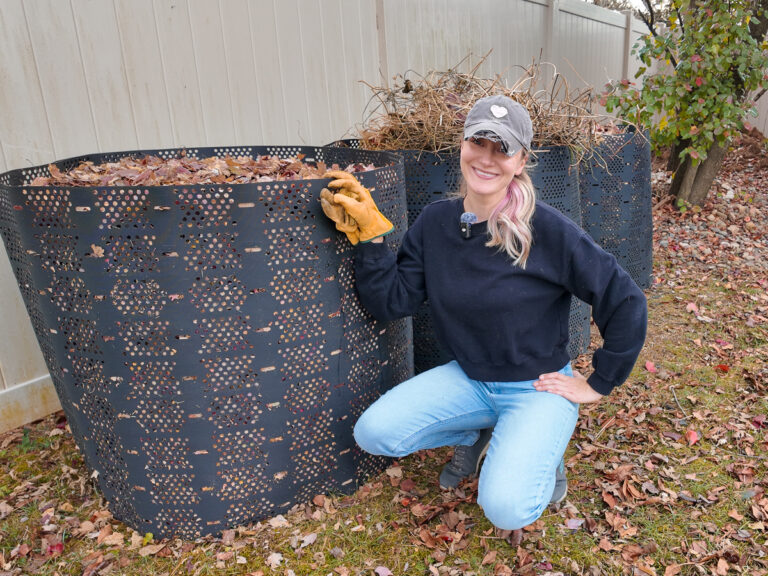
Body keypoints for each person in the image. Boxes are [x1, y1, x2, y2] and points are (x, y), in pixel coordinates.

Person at [319, 94, 647, 532]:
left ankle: (542, 458)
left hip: (537, 387)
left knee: (506, 508)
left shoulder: (545, 229)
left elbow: (624, 298)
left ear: (521, 160)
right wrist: (372, 241)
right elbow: (392, 302)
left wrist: (599, 382)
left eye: (502, 149)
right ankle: (480, 432)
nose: (487, 159)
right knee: (375, 433)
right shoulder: (436, 223)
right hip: (471, 380)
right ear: (462, 145)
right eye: (479, 143)